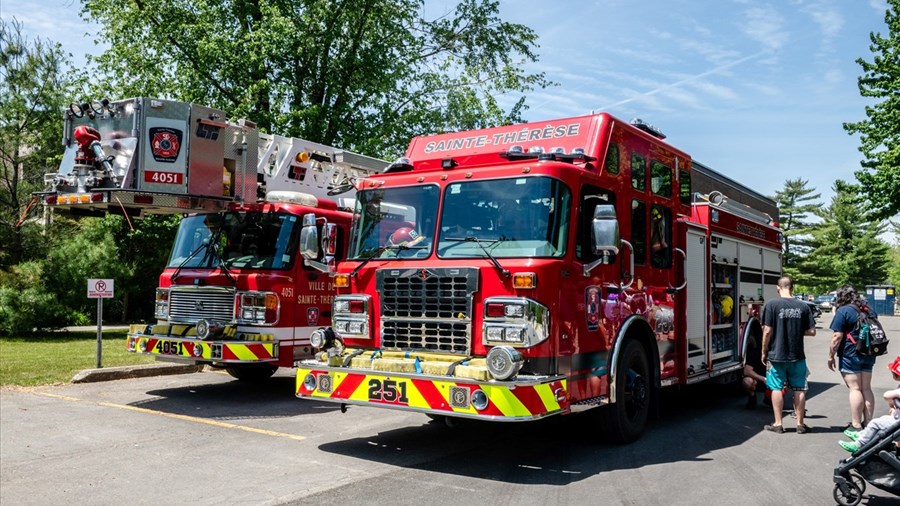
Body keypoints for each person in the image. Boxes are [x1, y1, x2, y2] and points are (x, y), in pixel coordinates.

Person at [761, 275, 817, 434]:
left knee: (777, 387)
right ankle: (800, 424)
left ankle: (778, 424)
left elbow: (767, 331)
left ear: (778, 288)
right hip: (797, 355)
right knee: (799, 388)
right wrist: (797, 331)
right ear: (792, 287)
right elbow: (812, 331)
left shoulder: (772, 304)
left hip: (776, 355)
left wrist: (763, 351)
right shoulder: (803, 306)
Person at [828, 285, 878, 436]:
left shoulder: (843, 311)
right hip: (869, 352)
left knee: (855, 388)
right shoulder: (868, 309)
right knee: (866, 388)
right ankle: (868, 424)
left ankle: (856, 426)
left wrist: (831, 356)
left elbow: (837, 337)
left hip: (851, 353)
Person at [838, 355, 900, 453]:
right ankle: (863, 434)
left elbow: (887, 395)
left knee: (875, 423)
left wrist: (891, 403)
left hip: (897, 424)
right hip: (896, 421)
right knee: (882, 420)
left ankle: (858, 444)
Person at [743, 332, 770, 409]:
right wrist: (763, 379)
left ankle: (769, 398)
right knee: (747, 381)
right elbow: (746, 371)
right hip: (758, 381)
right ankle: (752, 397)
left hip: (772, 382)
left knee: (785, 383)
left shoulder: (777, 353)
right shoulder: (756, 352)